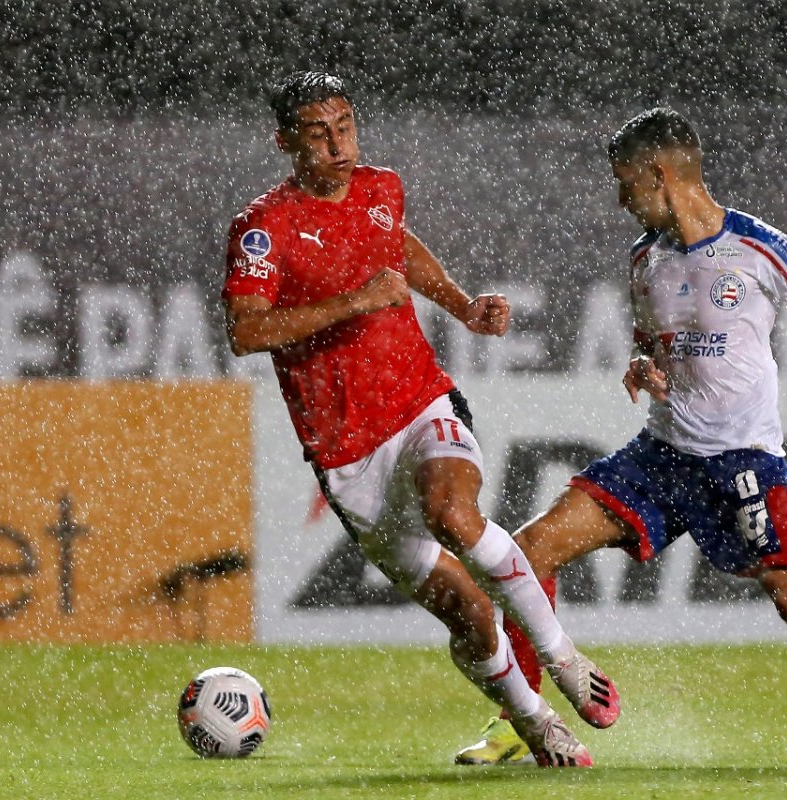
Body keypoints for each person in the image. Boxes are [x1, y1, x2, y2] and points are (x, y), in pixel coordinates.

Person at [454, 106, 787, 769]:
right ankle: (522, 723)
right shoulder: (644, 258)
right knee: (530, 549)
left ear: (659, 173)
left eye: (625, 183)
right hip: (660, 454)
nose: (620, 200)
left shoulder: (760, 247)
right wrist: (644, 365)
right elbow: (655, 343)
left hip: (741, 463)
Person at [221, 71, 620, 768]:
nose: (337, 143)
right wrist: (354, 301)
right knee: (466, 611)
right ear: (284, 142)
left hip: (419, 402)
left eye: (344, 124)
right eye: (317, 133)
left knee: (451, 513)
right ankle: (534, 725)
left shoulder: (382, 188)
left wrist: (462, 305)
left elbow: (397, 249)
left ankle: (562, 657)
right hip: (346, 454)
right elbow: (247, 332)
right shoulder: (263, 229)